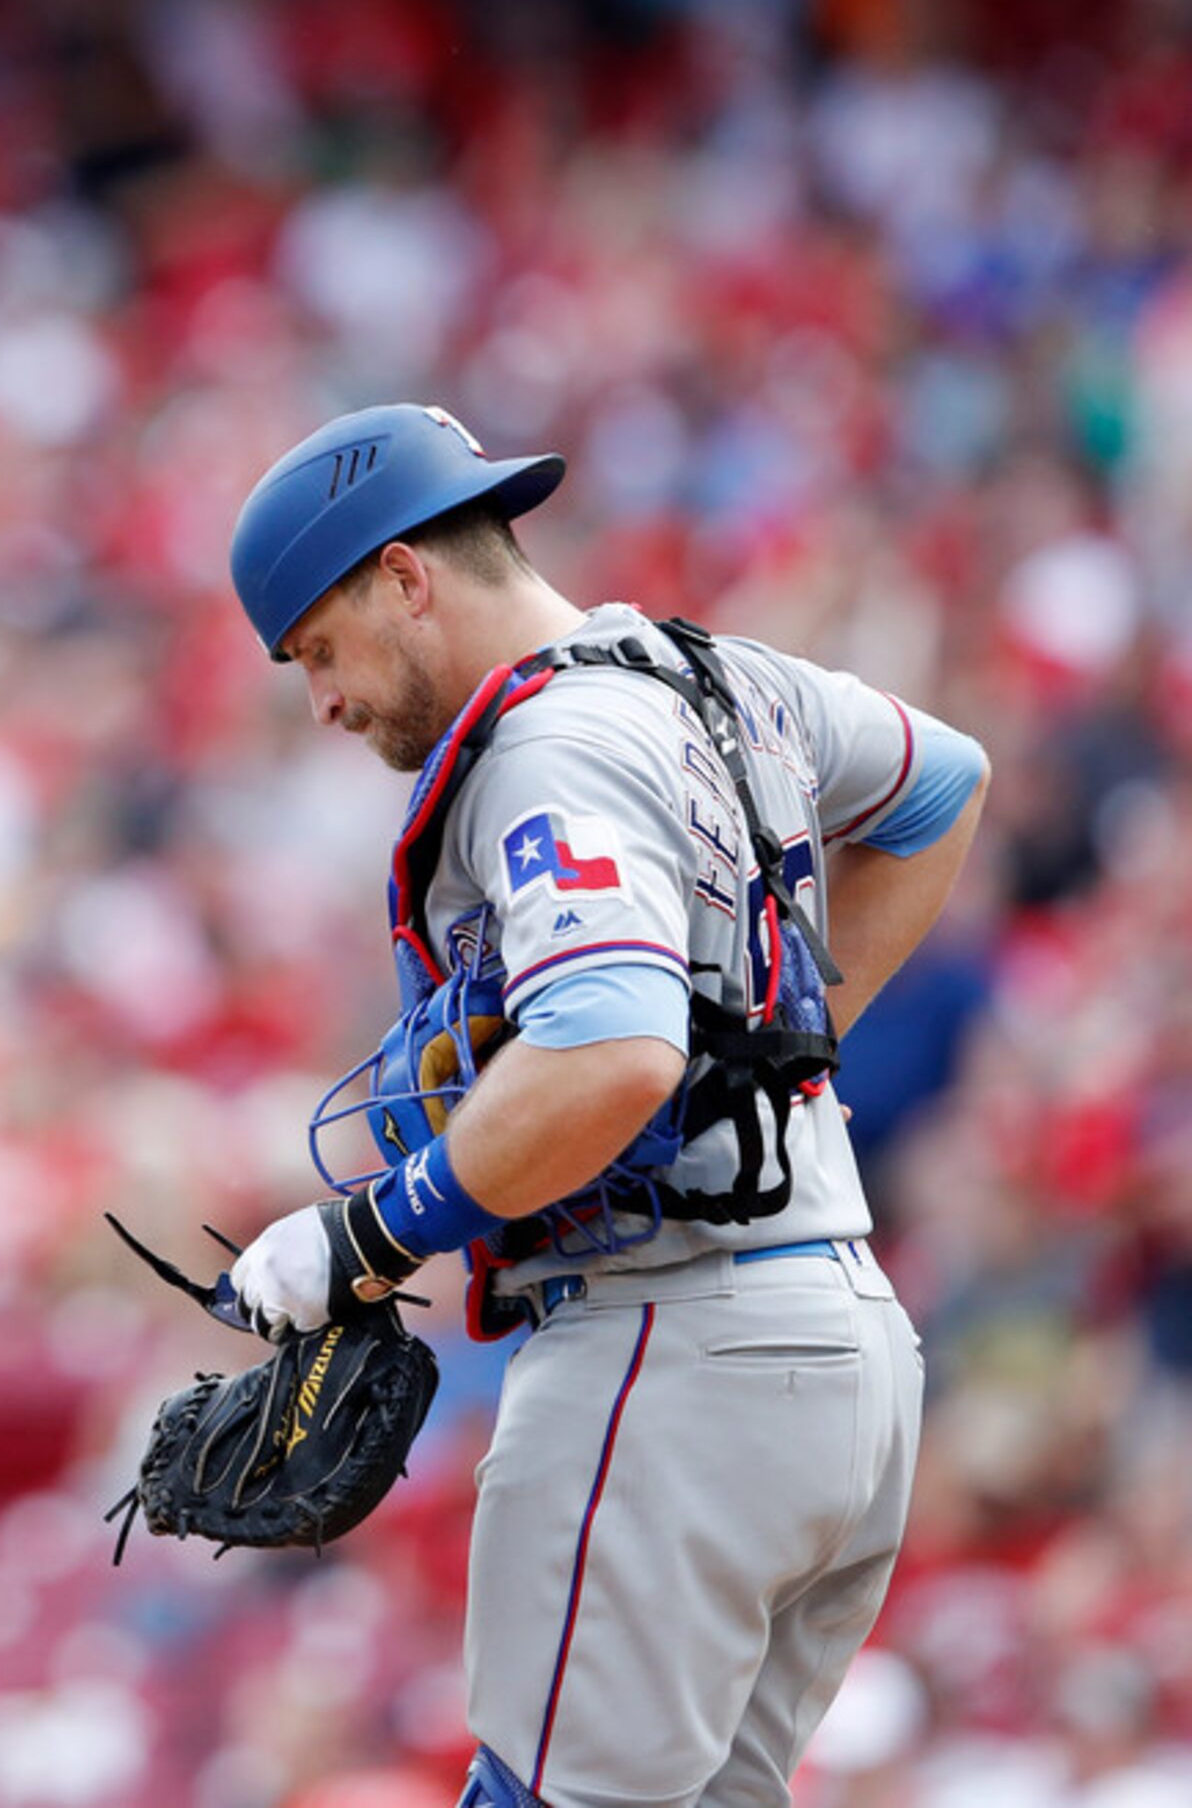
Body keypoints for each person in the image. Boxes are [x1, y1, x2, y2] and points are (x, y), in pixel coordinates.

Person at [218, 403, 987, 1806]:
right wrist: (776, 1046)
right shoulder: (722, 681)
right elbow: (940, 782)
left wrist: (371, 1235)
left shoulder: (546, 747)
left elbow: (609, 1056)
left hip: (672, 1347)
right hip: (840, 1352)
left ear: (406, 576)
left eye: (319, 648)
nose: (320, 699)